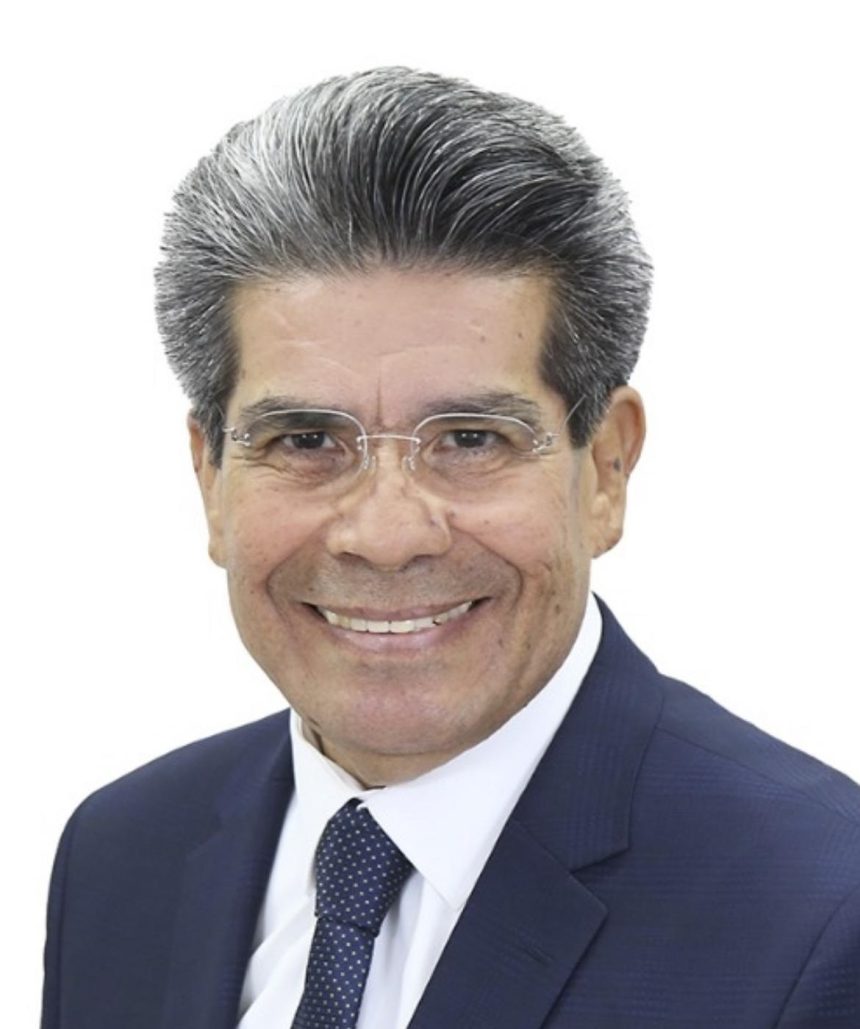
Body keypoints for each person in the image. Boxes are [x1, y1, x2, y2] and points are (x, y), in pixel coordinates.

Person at [41, 67, 860, 1029]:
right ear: (209, 478)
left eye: (471, 438)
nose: (386, 536)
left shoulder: (823, 913)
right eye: (306, 440)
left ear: (606, 469)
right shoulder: (120, 854)